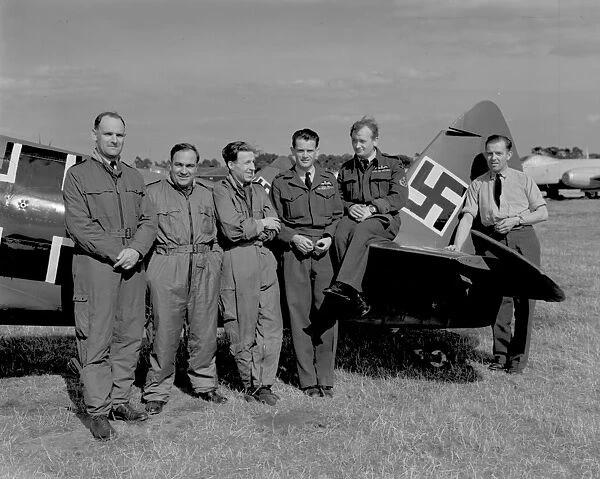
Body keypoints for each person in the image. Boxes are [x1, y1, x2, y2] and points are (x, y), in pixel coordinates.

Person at [63, 112, 157, 441]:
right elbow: (79, 225)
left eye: (119, 135)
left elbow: (149, 220)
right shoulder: (78, 177)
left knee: (129, 336)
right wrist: (120, 251)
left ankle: (120, 401)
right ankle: (98, 411)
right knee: (96, 338)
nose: (114, 140)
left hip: (133, 265)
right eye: (108, 134)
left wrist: (137, 250)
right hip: (98, 266)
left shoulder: (134, 177)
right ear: (95, 136)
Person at [448, 135, 548, 374]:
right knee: (499, 300)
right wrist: (457, 246)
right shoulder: (478, 184)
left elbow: (542, 212)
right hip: (494, 241)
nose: (493, 158)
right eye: (489, 153)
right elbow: (468, 216)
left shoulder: (523, 180)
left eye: (498, 153)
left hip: (522, 237)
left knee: (525, 301)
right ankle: (500, 356)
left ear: (508, 155)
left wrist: (516, 219)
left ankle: (518, 360)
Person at [142, 143, 227, 415]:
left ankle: (204, 384)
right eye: (179, 164)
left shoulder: (208, 194)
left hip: (204, 265)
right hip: (167, 263)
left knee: (204, 330)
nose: (184, 170)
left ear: (197, 167)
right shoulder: (153, 193)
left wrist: (214, 261)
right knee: (164, 331)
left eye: (190, 165)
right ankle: (157, 390)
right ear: (170, 164)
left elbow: (219, 232)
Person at [270, 129, 343, 398]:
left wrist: (329, 237)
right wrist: (293, 238)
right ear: (293, 151)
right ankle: (307, 380)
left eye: (310, 150)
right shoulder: (282, 182)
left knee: (326, 313)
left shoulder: (328, 180)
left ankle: (326, 378)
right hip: (296, 252)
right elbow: (276, 222)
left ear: (317, 152)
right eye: (300, 150)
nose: (305, 155)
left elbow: (338, 215)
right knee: (299, 314)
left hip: (323, 253)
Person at [213, 141, 283, 405]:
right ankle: (249, 383)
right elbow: (231, 229)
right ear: (231, 165)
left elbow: (274, 224)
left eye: (254, 162)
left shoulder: (258, 191)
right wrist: (261, 224)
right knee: (242, 326)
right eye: (246, 162)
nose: (252, 167)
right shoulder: (220, 192)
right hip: (237, 262)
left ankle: (265, 383)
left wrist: (259, 226)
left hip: (264, 260)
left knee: (270, 325)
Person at [324, 116, 408, 316]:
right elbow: (339, 198)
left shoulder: (393, 165)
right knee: (341, 232)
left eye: (362, 141)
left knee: (362, 230)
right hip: (354, 217)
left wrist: (371, 209)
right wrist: (350, 207)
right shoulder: (346, 168)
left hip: (385, 220)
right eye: (354, 141)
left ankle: (343, 284)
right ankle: (357, 296)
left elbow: (399, 198)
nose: (357, 145)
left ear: (375, 140)